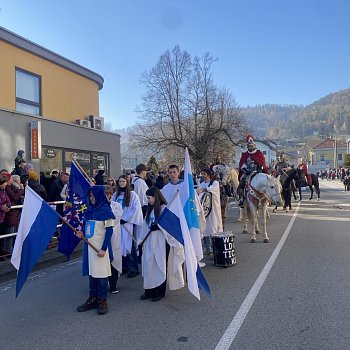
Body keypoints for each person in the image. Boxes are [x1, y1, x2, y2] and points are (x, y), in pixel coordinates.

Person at [138, 187, 185, 302]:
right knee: (148, 265)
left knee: (159, 266)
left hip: (160, 243)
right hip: (149, 242)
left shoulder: (164, 210)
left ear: (155, 197)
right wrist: (140, 241)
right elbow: (145, 226)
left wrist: (159, 227)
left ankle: (159, 292)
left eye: (149, 198)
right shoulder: (149, 209)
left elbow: (170, 228)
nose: (148, 200)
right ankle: (148, 290)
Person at [76, 186, 116, 315]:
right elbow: (86, 227)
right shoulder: (89, 211)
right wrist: (80, 233)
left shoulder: (105, 211)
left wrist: (104, 249)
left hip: (100, 249)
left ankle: (102, 300)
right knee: (92, 274)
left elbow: (109, 231)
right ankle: (92, 298)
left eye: (93, 196)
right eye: (90, 196)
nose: (91, 198)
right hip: (89, 248)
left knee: (101, 275)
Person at [112, 175, 143, 278]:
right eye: (120, 181)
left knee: (128, 245)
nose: (121, 183)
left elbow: (136, 209)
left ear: (127, 182)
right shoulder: (116, 195)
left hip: (128, 224)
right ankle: (123, 267)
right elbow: (112, 206)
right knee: (119, 245)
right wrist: (117, 218)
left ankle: (133, 268)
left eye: (123, 181)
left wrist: (125, 219)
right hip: (118, 224)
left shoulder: (133, 195)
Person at [196, 168, 223, 255]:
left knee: (214, 227)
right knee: (205, 228)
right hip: (205, 210)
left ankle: (216, 248)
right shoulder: (202, 184)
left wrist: (204, 190)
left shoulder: (215, 183)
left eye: (204, 174)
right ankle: (208, 248)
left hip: (214, 209)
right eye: (201, 174)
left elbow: (211, 189)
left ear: (208, 175)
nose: (202, 175)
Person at [238, 134, 267, 208]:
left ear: (254, 146)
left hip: (257, 172)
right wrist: (244, 169)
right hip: (247, 172)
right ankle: (241, 199)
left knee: (264, 183)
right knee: (241, 185)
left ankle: (266, 198)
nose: (250, 148)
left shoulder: (259, 153)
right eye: (249, 147)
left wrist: (260, 168)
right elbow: (242, 164)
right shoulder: (245, 154)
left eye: (252, 146)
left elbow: (263, 164)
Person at [104, 185, 123, 294]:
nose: (106, 197)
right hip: (102, 236)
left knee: (114, 259)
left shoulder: (116, 206)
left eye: (108, 194)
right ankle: (103, 283)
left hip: (114, 236)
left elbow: (113, 219)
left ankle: (113, 284)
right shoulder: (98, 207)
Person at [0, 175, 11, 260]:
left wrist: (7, 206)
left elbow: (8, 201)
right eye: (4, 183)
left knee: (2, 235)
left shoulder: (4, 191)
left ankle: (2, 251)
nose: (6, 184)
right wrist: (1, 207)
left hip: (2, 218)